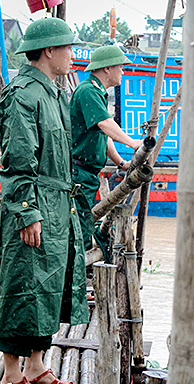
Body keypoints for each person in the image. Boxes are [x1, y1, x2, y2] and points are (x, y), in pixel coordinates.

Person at [0, 17, 89, 384]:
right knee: (23, 285)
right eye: (68, 49)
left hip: (59, 205)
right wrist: (27, 210)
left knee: (49, 285)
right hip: (34, 205)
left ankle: (37, 365)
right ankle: (12, 376)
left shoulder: (54, 92)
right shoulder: (24, 94)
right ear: (49, 51)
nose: (72, 56)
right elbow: (17, 160)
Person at [70, 45, 141, 251]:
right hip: (79, 172)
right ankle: (77, 278)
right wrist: (133, 143)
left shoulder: (97, 92)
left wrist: (120, 162)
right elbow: (104, 124)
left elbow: (103, 134)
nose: (123, 71)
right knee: (81, 228)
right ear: (107, 69)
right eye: (120, 66)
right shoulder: (89, 91)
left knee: (84, 222)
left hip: (88, 173)